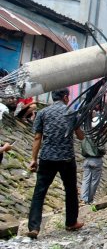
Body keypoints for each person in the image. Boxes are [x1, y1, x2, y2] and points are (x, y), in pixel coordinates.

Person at [26, 88, 84, 239]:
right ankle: (71, 222)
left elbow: (37, 137)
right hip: (66, 158)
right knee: (71, 190)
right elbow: (80, 136)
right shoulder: (71, 112)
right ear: (65, 97)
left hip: (47, 158)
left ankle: (34, 227)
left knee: (39, 191)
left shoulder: (43, 113)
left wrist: (33, 159)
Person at [80, 116, 106, 205]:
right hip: (96, 160)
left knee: (85, 179)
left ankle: (83, 199)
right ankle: (89, 199)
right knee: (94, 181)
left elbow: (82, 148)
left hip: (87, 159)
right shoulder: (98, 136)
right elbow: (102, 149)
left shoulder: (86, 135)